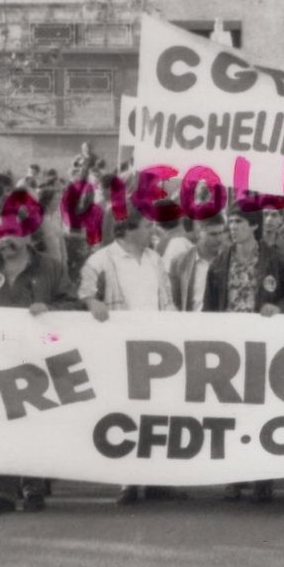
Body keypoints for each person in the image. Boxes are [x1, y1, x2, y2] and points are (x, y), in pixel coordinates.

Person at [0, 223, 81, 515]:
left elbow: (73, 303)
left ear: (28, 235)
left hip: (35, 358)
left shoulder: (50, 268)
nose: (3, 240)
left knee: (33, 423)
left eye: (10, 234)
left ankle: (33, 489)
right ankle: (3, 494)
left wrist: (50, 311)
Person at [202, 211, 284, 502]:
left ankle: (263, 477)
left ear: (254, 226)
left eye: (239, 223)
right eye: (231, 223)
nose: (233, 229)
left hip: (264, 346)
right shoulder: (220, 263)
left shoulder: (274, 259)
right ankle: (234, 475)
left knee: (262, 411)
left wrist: (279, 307)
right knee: (232, 412)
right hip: (230, 347)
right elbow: (209, 307)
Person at [79, 212, 177, 505]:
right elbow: (85, 290)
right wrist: (91, 302)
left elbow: (167, 300)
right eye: (147, 226)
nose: (153, 230)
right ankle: (129, 480)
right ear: (128, 230)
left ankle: (157, 480)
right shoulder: (101, 260)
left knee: (156, 412)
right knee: (125, 411)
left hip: (157, 348)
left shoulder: (154, 259)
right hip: (119, 348)